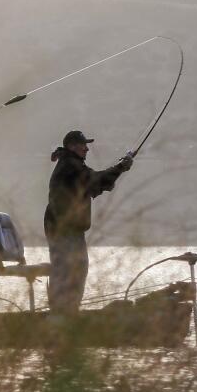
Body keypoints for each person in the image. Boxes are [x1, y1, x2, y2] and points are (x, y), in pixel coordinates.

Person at [44, 129, 133, 313]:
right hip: (63, 230)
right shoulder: (70, 166)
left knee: (76, 269)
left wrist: (119, 168)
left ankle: (67, 311)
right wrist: (121, 167)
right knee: (69, 271)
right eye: (84, 145)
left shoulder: (73, 164)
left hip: (70, 230)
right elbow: (95, 181)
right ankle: (61, 314)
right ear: (72, 146)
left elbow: (95, 184)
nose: (87, 149)